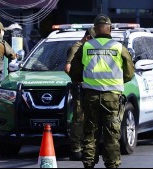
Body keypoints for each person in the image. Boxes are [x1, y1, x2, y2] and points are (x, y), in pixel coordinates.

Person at [69, 14, 135, 168]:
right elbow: (129, 73)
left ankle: (89, 164)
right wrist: (117, 81)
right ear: (110, 29)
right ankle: (112, 165)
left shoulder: (86, 46)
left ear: (95, 29)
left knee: (90, 132)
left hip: (90, 96)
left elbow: (75, 72)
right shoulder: (118, 47)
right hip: (112, 97)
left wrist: (85, 79)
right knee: (111, 134)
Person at [64, 27, 96, 161]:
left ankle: (85, 147)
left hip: (89, 87)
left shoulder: (89, 49)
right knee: (79, 118)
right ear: (88, 37)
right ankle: (76, 149)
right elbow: (67, 68)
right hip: (79, 86)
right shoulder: (76, 48)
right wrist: (78, 78)